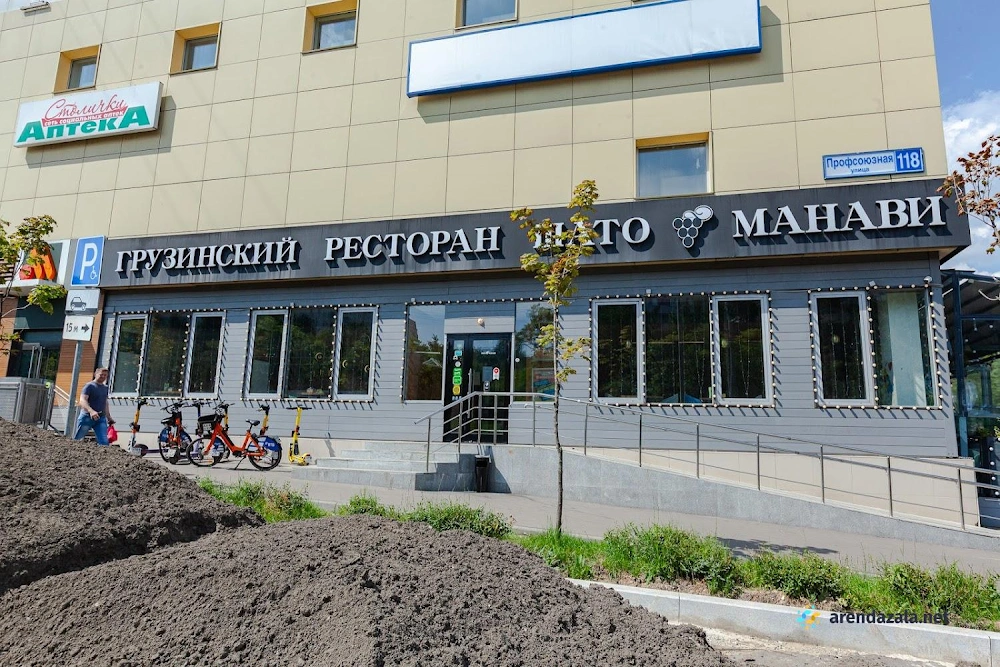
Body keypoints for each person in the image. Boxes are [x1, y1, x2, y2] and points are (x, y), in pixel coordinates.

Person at [74, 367, 115, 446]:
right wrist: (91, 411)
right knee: (78, 439)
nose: (103, 376)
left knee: (104, 442)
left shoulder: (105, 388)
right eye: (101, 374)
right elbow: (82, 400)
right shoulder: (89, 386)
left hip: (101, 418)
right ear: (95, 374)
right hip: (87, 417)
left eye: (105, 375)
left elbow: (105, 402)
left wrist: (109, 417)